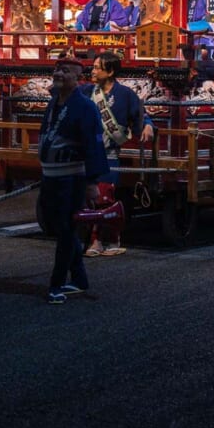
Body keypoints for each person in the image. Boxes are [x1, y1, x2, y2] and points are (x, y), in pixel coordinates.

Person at [37, 57, 108, 304]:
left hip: (71, 179)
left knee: (66, 231)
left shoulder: (85, 107)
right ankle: (79, 279)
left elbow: (94, 145)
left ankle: (55, 284)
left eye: (65, 71)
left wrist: (92, 182)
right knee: (57, 227)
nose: (58, 73)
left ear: (78, 78)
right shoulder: (54, 102)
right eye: (57, 69)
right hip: (51, 176)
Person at [81, 51, 154, 256]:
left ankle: (108, 239)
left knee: (105, 196)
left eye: (97, 67)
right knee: (90, 198)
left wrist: (147, 125)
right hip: (88, 153)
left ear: (110, 71)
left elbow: (140, 115)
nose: (93, 71)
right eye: (93, 67)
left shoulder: (125, 94)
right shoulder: (87, 91)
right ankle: (95, 239)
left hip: (109, 152)